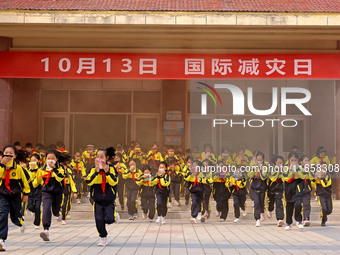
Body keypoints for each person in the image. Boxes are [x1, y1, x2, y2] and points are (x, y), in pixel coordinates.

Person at [0, 145, 30, 252]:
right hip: (2, 194)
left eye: (10, 153)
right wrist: (2, 164)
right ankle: (1, 240)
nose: (8, 154)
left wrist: (26, 194)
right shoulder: (0, 166)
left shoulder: (18, 168)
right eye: (6, 152)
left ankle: (21, 222)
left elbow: (25, 183)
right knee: (2, 214)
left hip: (15, 196)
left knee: (15, 218)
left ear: (15, 155)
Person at [86, 147, 119, 246]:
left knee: (110, 219)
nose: (99, 159)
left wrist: (107, 172)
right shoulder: (92, 169)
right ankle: (103, 237)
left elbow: (114, 182)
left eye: (102, 157)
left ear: (106, 158)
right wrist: (96, 172)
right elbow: (89, 181)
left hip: (109, 199)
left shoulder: (112, 168)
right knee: (99, 220)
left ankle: (114, 215)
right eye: (97, 157)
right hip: (97, 199)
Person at [33, 149, 65, 241]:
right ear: (45, 159)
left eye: (53, 158)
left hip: (57, 192)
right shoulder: (41, 169)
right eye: (48, 158)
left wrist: (54, 169)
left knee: (55, 211)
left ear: (57, 159)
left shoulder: (60, 168)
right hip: (46, 192)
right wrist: (28, 186)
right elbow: (37, 181)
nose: (50, 160)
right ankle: (46, 230)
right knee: (46, 208)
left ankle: (58, 212)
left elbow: (59, 178)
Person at [184, 160, 212, 224]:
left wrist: (201, 180)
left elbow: (208, 181)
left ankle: (199, 213)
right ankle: (193, 217)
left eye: (196, 166)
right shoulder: (191, 173)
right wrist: (190, 173)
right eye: (193, 166)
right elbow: (186, 178)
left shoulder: (202, 173)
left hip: (201, 191)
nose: (194, 167)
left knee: (199, 203)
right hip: (193, 191)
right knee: (194, 202)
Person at [282, 151, 304, 230]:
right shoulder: (285, 168)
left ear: (298, 160)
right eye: (292, 160)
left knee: (298, 204)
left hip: (298, 188)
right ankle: (288, 223)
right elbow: (286, 178)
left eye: (295, 160)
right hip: (289, 189)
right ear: (288, 160)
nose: (293, 162)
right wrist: (291, 170)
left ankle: (299, 221)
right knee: (289, 206)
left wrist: (297, 170)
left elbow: (303, 176)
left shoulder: (300, 167)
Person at [248, 151, 268, 227]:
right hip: (255, 188)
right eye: (257, 160)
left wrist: (261, 169)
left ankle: (262, 212)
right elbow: (249, 175)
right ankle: (257, 219)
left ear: (263, 160)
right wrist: (255, 168)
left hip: (262, 188)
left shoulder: (265, 167)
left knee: (261, 202)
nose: (259, 161)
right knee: (256, 202)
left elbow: (264, 177)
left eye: (260, 160)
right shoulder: (253, 166)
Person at [267, 156, 285, 227]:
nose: (280, 164)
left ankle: (280, 219)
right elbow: (273, 178)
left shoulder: (284, 170)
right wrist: (277, 171)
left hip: (279, 189)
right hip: (271, 189)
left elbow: (284, 179)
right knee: (271, 201)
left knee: (279, 203)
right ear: (275, 162)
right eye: (278, 163)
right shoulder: (272, 169)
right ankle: (269, 209)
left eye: (281, 163)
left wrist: (281, 172)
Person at [60, 155, 78, 225]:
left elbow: (72, 183)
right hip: (59, 190)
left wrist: (75, 192)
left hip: (67, 190)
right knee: (60, 204)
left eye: (64, 166)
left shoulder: (69, 172)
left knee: (67, 204)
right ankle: (62, 215)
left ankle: (64, 217)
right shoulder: (57, 172)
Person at [27, 153, 43, 229]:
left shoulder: (41, 170)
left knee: (37, 207)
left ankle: (37, 223)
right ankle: (34, 211)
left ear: (39, 161)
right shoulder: (28, 170)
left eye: (35, 160)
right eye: (31, 160)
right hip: (30, 191)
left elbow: (42, 181)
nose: (32, 162)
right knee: (30, 206)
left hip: (38, 191)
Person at [315, 162, 333, 227]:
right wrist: (315, 178)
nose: (322, 170)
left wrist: (321, 178)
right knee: (324, 208)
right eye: (320, 168)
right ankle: (323, 221)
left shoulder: (328, 176)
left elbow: (326, 184)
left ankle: (324, 214)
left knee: (329, 210)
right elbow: (313, 183)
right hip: (321, 195)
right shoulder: (317, 177)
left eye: (324, 168)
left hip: (328, 195)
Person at [299, 155, 314, 226]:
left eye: (308, 161)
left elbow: (312, 178)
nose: (307, 163)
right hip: (299, 189)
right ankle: (298, 218)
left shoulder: (310, 170)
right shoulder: (299, 169)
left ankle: (306, 218)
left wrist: (310, 170)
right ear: (301, 162)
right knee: (298, 204)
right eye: (305, 161)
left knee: (307, 204)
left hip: (307, 189)